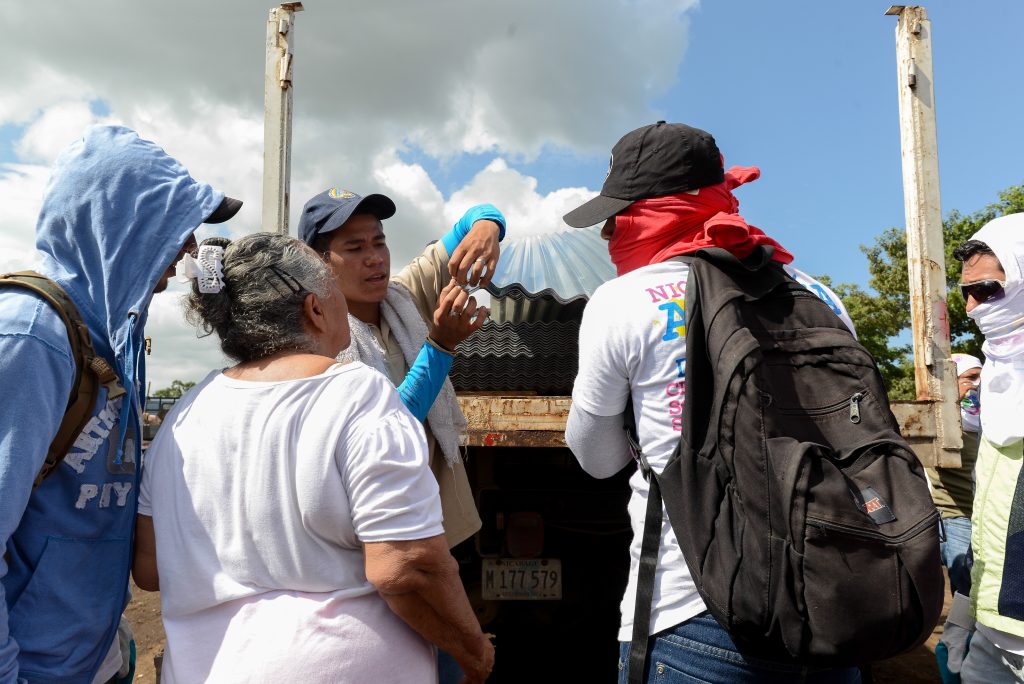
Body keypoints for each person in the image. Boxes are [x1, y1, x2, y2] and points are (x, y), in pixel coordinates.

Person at [562, 121, 860, 683]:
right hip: (831, 600)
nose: (607, 234)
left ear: (648, 210)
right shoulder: (816, 292)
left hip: (695, 614)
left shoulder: (622, 300)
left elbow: (595, 459)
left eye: (615, 216)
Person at [131, 233, 495, 683]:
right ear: (315, 309)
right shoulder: (359, 394)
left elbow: (149, 568)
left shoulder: (183, 416)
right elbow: (407, 566)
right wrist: (473, 651)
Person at [0, 124, 240, 683]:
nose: (185, 252)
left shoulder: (114, 339)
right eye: (174, 230)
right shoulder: (31, 338)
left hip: (92, 659)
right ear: (124, 228)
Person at [298, 189, 504, 682]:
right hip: (379, 543)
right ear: (317, 264)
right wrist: (440, 346)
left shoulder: (403, 296)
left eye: (380, 241)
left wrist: (487, 229)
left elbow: (478, 216)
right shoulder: (320, 339)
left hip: (427, 525)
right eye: (354, 247)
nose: (374, 259)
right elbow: (385, 434)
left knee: (443, 651)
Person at [941, 213, 1024, 683]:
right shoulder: (996, 379)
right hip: (992, 626)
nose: (972, 307)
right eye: (966, 292)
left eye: (988, 290)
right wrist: (967, 610)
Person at [926, 352, 983, 596]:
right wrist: (951, 403)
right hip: (956, 517)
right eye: (972, 377)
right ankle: (958, 635)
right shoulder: (938, 420)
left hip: (977, 517)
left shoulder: (984, 420)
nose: (977, 384)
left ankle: (958, 635)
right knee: (968, 588)